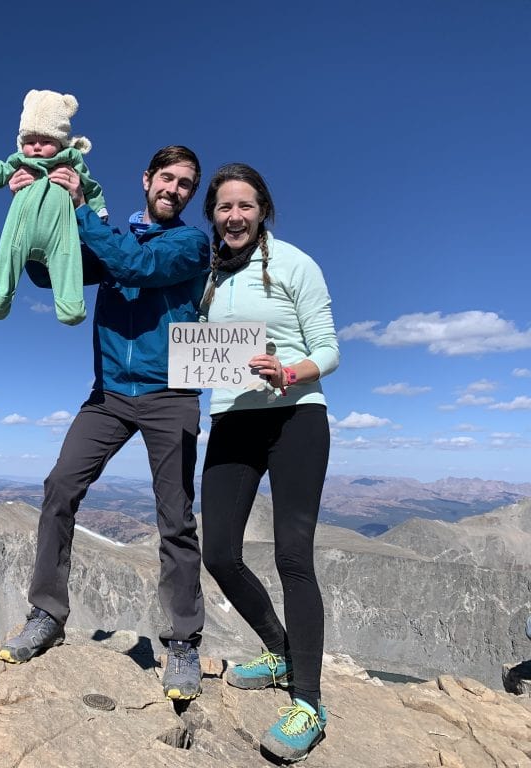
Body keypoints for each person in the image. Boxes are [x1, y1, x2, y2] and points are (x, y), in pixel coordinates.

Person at [0, 145, 210, 701]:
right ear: (147, 180)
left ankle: (183, 643)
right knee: (60, 487)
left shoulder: (191, 243)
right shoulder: (111, 236)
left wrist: (84, 211)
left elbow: (136, 266)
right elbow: (48, 275)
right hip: (110, 395)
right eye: (168, 178)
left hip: (171, 394)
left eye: (186, 184)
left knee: (176, 518)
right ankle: (46, 614)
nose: (176, 189)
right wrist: (40, 204)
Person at [198, 163, 339, 762]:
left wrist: (289, 371)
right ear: (214, 216)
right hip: (232, 419)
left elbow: (329, 349)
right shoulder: (205, 277)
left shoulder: (295, 264)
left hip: (295, 418)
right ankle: (278, 648)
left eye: (245, 206)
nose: (234, 217)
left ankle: (307, 701)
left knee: (291, 556)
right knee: (220, 553)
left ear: (263, 211)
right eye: (224, 208)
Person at [0, 89, 107, 325]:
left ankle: (71, 307)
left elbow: (91, 186)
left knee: (68, 260)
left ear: (60, 142)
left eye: (46, 142)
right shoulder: (19, 163)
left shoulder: (72, 164)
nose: (36, 147)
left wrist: (98, 210)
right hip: (20, 231)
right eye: (30, 141)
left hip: (60, 236)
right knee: (8, 257)